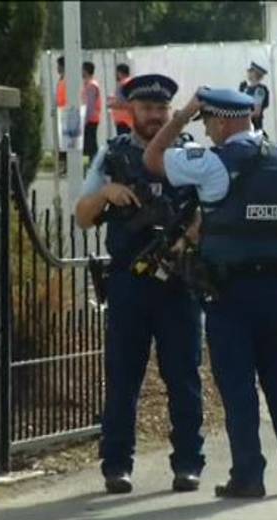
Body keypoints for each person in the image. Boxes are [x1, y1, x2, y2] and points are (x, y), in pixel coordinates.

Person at [144, 87, 277, 499]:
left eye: (206, 122)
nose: (206, 129)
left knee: (239, 388)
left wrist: (181, 116)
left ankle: (249, 475)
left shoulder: (212, 163)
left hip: (230, 292)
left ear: (221, 121)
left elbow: (152, 160)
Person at [74, 74, 205, 495]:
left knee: (184, 378)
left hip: (179, 282)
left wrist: (187, 240)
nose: (155, 116)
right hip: (129, 283)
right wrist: (107, 193)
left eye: (162, 109)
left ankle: (188, 463)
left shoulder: (189, 155)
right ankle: (117, 466)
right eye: (147, 109)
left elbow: (213, 209)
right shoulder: (112, 157)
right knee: (123, 378)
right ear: (131, 112)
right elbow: (81, 214)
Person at [238, 61, 270, 132]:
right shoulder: (247, 88)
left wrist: (242, 117)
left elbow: (256, 112)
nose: (248, 73)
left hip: (255, 124)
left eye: (250, 71)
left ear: (255, 73)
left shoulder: (259, 90)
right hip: (247, 124)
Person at [82, 61, 103, 160]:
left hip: (91, 119)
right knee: (90, 143)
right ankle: (93, 162)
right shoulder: (88, 84)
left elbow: (90, 105)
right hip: (91, 118)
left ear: (85, 71)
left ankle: (95, 163)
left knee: (91, 144)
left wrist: (85, 120)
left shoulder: (91, 85)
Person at [108, 63, 134, 136]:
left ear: (119, 72)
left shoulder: (123, 84)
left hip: (123, 121)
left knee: (123, 144)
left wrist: (111, 104)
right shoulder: (132, 82)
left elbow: (121, 102)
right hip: (131, 120)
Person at [56, 56, 67, 176]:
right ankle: (63, 166)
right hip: (61, 112)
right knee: (61, 142)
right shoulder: (62, 79)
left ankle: (65, 166)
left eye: (58, 66)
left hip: (67, 112)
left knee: (66, 142)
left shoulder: (68, 79)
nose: (57, 68)